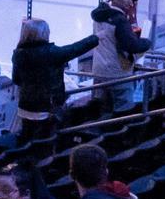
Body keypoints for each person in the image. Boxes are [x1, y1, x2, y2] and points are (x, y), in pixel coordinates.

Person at [10, 18, 99, 149]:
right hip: (47, 109)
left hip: (25, 108)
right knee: (46, 145)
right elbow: (75, 49)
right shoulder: (51, 52)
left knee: (27, 144)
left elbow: (16, 79)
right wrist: (96, 38)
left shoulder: (18, 54)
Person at [87, 0, 152, 115]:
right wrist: (146, 42)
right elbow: (131, 45)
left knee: (103, 109)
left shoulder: (99, 15)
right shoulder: (119, 20)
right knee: (124, 111)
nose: (130, 2)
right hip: (117, 72)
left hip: (99, 70)